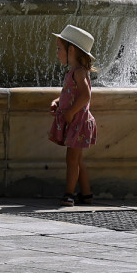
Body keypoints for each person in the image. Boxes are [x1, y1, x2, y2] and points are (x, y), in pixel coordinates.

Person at [48, 24, 97, 207]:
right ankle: (87, 194)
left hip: (79, 122)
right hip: (78, 121)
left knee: (71, 159)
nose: (57, 52)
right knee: (78, 160)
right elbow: (71, 94)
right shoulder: (74, 72)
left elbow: (85, 95)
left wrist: (70, 112)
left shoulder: (79, 72)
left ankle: (69, 194)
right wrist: (58, 102)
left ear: (72, 50)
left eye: (59, 48)